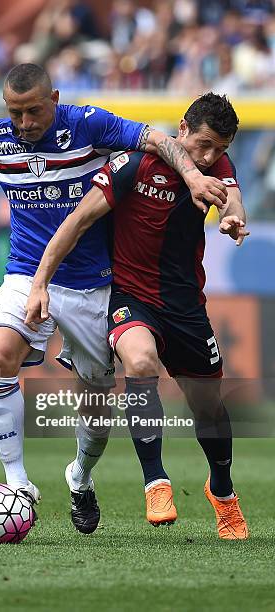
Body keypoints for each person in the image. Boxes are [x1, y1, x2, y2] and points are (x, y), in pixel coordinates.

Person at [0, 64, 227, 535]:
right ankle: (18, 484)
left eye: (33, 111)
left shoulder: (88, 124)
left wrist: (190, 176)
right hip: (27, 271)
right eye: (15, 112)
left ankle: (80, 477)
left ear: (55, 99)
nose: (24, 122)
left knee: (96, 405)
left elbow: (158, 140)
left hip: (95, 280)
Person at [25, 92, 249, 540]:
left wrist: (233, 219)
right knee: (140, 361)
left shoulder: (217, 169)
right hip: (131, 296)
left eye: (219, 149)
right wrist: (39, 282)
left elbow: (234, 201)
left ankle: (222, 492)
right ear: (181, 129)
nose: (209, 157)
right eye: (203, 144)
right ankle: (155, 481)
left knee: (208, 407)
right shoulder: (133, 164)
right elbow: (77, 221)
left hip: (186, 305)